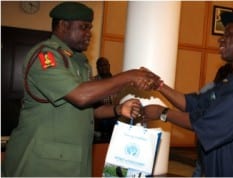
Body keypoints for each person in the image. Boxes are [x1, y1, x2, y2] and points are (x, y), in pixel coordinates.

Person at [2, 2, 161, 177]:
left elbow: (89, 110)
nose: (89, 34)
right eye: (84, 27)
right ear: (63, 25)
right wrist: (129, 76)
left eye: (90, 28)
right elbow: (80, 96)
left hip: (73, 160)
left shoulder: (80, 62)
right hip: (41, 162)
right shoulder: (45, 56)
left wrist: (118, 109)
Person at [143, 7, 233, 176]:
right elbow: (193, 104)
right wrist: (159, 85)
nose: (221, 40)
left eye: (228, 34)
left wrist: (162, 113)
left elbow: (208, 123)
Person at [93, 57, 118, 142]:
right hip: (100, 118)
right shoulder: (93, 82)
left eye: (105, 65)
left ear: (109, 66)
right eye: (100, 66)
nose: (103, 67)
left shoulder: (117, 81)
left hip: (115, 115)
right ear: (97, 68)